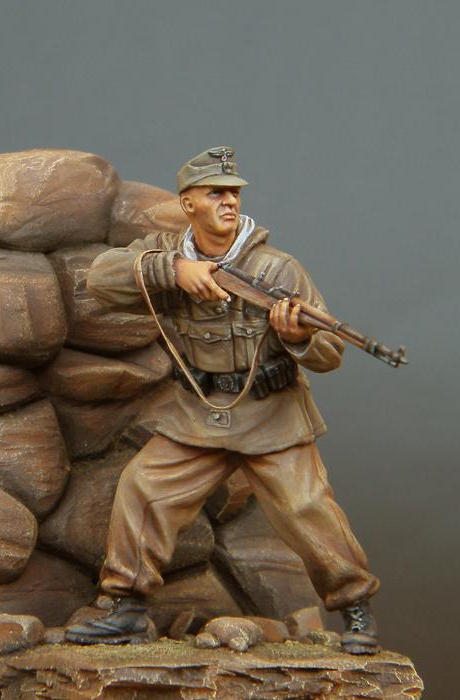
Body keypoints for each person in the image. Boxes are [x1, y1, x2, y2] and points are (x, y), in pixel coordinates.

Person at [65, 146, 380, 654]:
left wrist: (297, 337)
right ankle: (124, 607)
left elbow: (330, 354)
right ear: (187, 203)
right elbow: (101, 279)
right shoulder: (165, 254)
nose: (229, 201)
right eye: (216, 193)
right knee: (143, 488)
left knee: (307, 508)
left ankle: (355, 607)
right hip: (201, 413)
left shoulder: (278, 269)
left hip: (273, 414)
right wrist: (174, 270)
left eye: (234, 193)